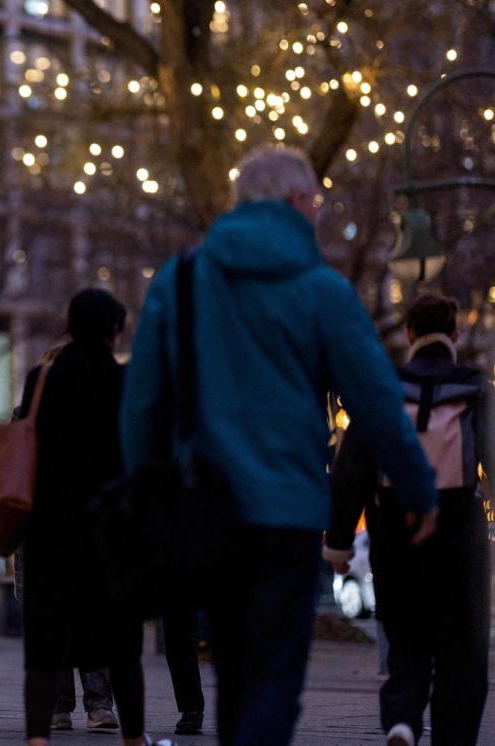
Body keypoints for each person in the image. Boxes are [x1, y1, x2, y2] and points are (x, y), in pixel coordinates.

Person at [121, 145, 438, 746]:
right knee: (276, 677)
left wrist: (147, 492)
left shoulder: (181, 281)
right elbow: (374, 401)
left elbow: (142, 405)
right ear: (295, 201)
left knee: (235, 672)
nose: (317, 212)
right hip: (286, 511)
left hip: (206, 510)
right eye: (314, 201)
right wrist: (417, 487)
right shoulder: (322, 290)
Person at [326, 292, 491, 746]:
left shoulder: (384, 387)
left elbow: (350, 471)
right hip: (460, 529)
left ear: (409, 334)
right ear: (455, 334)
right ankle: (453, 736)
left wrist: (339, 545)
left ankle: (402, 719)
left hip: (394, 527)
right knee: (462, 650)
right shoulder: (475, 388)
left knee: (405, 640)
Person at [20, 289, 172, 746]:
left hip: (49, 530)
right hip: (112, 531)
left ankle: (37, 737)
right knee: (122, 643)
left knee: (45, 645)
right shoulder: (126, 385)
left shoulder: (40, 380)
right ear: (115, 330)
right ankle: (132, 737)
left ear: (69, 324)